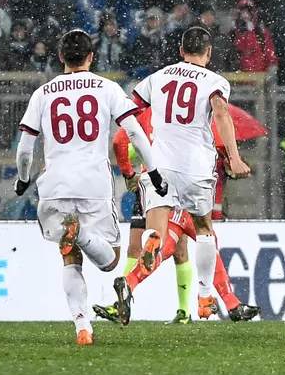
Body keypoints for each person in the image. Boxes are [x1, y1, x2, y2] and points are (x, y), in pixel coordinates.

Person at [13, 30, 168, 345]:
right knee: (111, 259)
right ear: (91, 57)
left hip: (55, 182)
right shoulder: (107, 88)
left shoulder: (43, 93)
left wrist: (23, 177)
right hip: (93, 182)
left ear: (60, 58)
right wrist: (153, 173)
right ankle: (80, 233)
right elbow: (135, 133)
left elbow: (26, 148)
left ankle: (83, 327)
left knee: (69, 256)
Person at [113, 27, 251, 323]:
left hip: (158, 167)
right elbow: (220, 112)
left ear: (180, 49)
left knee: (158, 235)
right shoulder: (215, 81)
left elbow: (130, 115)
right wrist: (235, 157)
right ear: (209, 52)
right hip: (195, 168)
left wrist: (134, 158)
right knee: (203, 230)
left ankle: (152, 242)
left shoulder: (157, 77)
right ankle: (203, 298)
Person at [93, 106, 259, 324]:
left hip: (153, 185)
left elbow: (119, 142)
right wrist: (231, 158)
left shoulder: (148, 112)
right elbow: (216, 142)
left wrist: (129, 172)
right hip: (187, 183)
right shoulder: (195, 110)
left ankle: (130, 283)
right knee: (203, 239)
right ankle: (210, 300)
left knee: (165, 244)